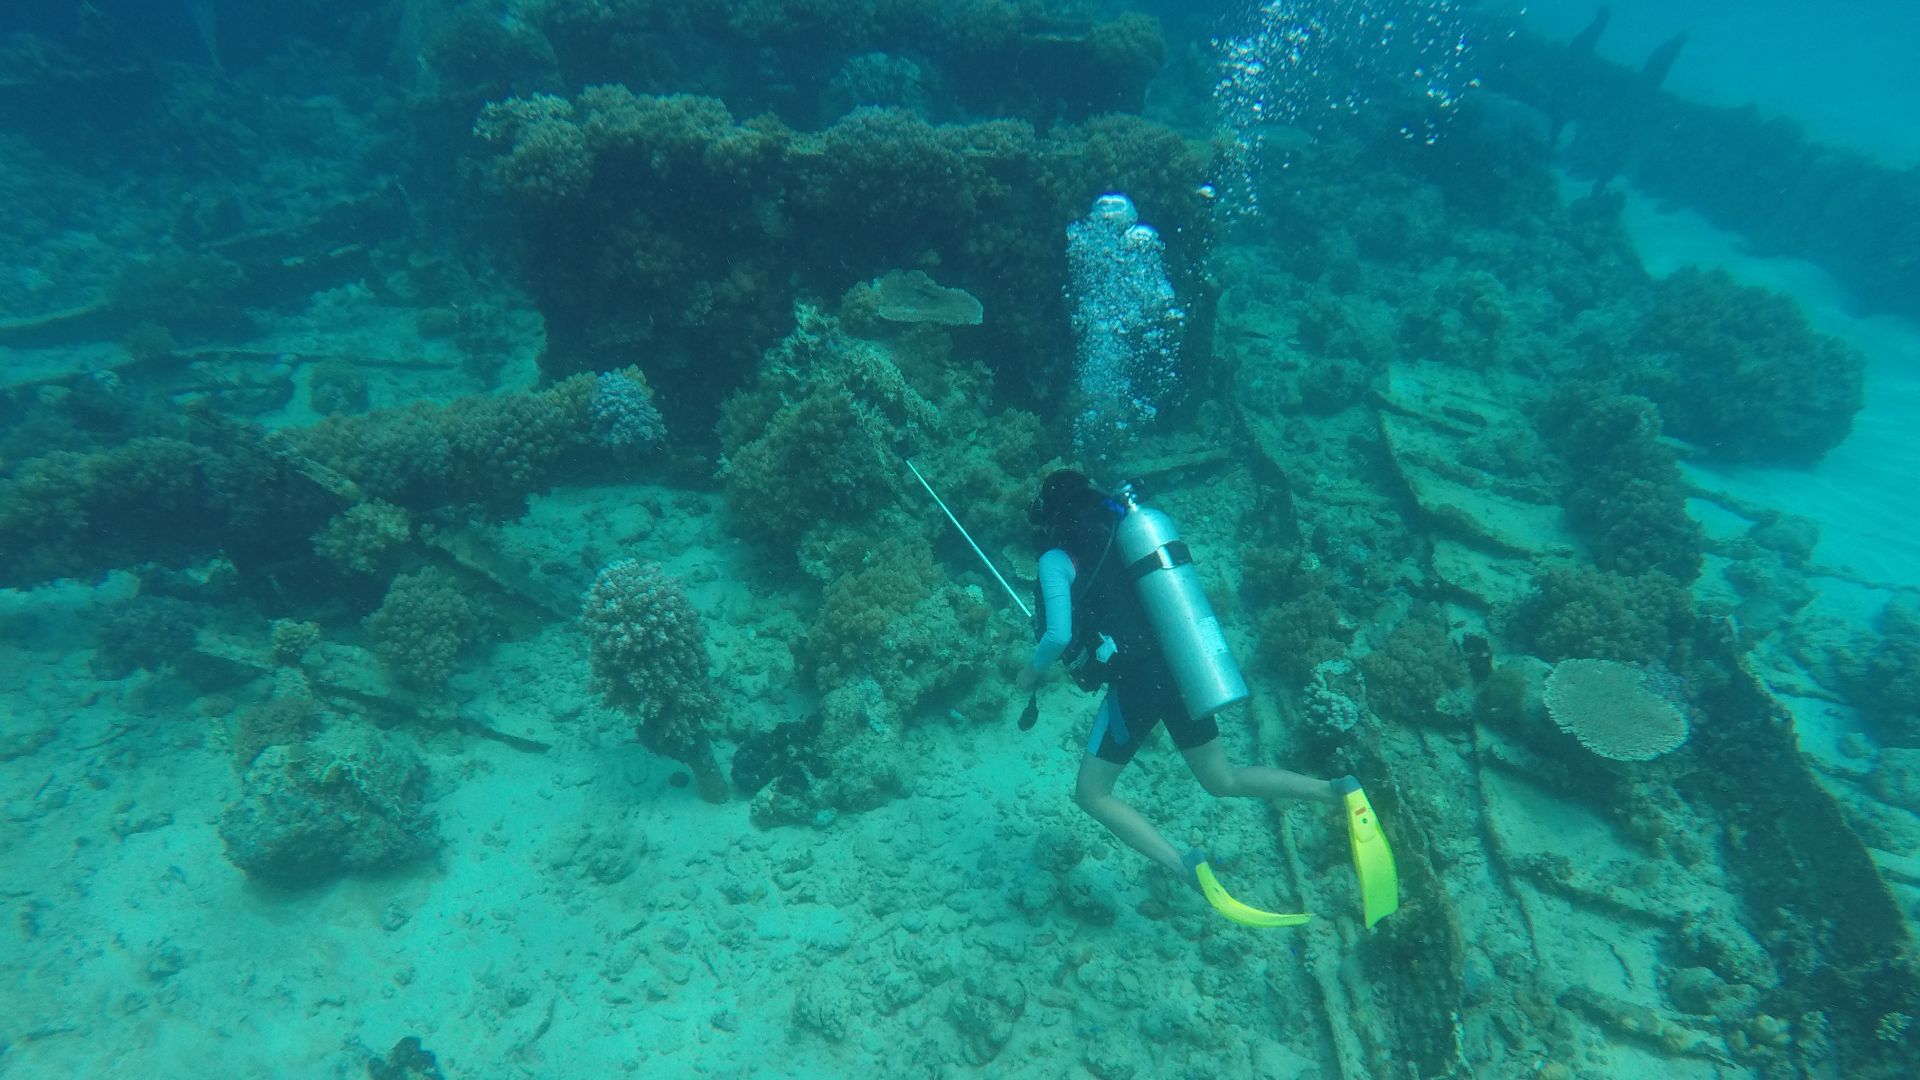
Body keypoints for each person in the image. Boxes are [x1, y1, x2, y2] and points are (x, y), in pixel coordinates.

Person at [1015, 469, 1344, 889]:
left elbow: (1057, 635)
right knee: (1221, 779)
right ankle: (1335, 792)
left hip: (1140, 681)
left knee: (1092, 794)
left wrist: (1030, 673)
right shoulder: (1127, 535)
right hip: (1184, 664)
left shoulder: (1057, 559)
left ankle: (1184, 867)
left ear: (1052, 515)